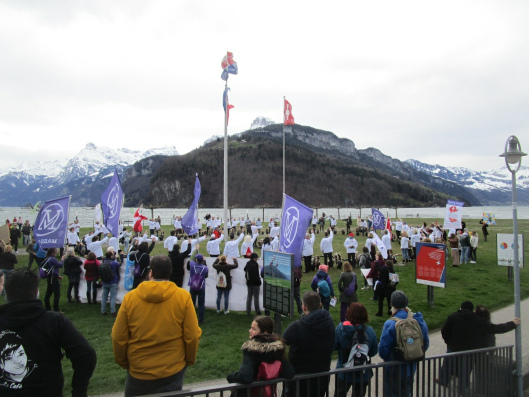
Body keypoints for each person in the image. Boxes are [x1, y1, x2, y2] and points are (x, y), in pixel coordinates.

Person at [112, 255, 201, 396]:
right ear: (169, 273)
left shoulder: (131, 298)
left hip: (141, 369)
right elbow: (192, 336)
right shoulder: (182, 297)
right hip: (171, 368)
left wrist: (125, 363)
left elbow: (118, 337)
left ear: (151, 272)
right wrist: (189, 360)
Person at [0, 268, 96, 396]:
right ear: (36, 292)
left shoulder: (53, 321)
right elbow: (86, 355)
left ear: (6, 293)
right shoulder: (53, 321)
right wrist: (79, 390)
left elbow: (85, 354)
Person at [439, 300, 520, 391]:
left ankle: (443, 380)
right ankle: (462, 388)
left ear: (461, 308)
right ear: (472, 310)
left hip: (453, 347)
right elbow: (497, 328)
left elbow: (444, 331)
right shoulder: (479, 321)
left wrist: (449, 342)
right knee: (465, 370)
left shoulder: (453, 317)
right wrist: (512, 323)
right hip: (470, 351)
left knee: (447, 364)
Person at [283, 291, 335, 397]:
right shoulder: (329, 322)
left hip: (299, 377)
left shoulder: (297, 326)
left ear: (304, 307)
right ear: (320, 304)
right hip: (321, 374)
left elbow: (282, 342)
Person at [227, 316, 294, 397]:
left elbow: (245, 377)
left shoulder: (251, 349)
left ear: (265, 332)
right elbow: (289, 372)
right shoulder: (277, 349)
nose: (250, 331)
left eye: (254, 329)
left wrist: (231, 376)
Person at [378, 290, 429, 397]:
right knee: (406, 392)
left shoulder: (390, 323)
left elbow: (383, 350)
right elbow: (425, 344)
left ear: (392, 305)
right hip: (411, 366)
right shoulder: (418, 320)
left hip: (394, 368)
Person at [334, 303, 378, 397]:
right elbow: (373, 351)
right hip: (363, 371)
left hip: (343, 370)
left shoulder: (341, 328)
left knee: (339, 394)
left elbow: (334, 346)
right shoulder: (369, 331)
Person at [186, 249, 208, 325]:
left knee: (192, 303)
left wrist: (196, 249)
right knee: (201, 304)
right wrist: (204, 261)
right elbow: (206, 275)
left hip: (193, 286)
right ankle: (201, 319)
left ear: (196, 259)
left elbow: (190, 259)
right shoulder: (204, 267)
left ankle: (191, 318)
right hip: (201, 286)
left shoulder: (192, 265)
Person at [100, 249, 121, 316]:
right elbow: (119, 264)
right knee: (113, 297)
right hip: (113, 281)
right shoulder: (114, 263)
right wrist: (118, 257)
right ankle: (113, 311)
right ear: (111, 256)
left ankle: (103, 310)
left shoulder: (103, 262)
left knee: (104, 297)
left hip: (105, 281)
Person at [42, 248, 63, 312]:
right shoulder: (53, 259)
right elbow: (60, 265)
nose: (56, 252)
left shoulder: (48, 258)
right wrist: (62, 259)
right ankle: (56, 309)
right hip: (53, 278)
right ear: (53, 252)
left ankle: (47, 307)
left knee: (49, 293)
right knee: (57, 293)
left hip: (50, 277)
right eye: (55, 251)